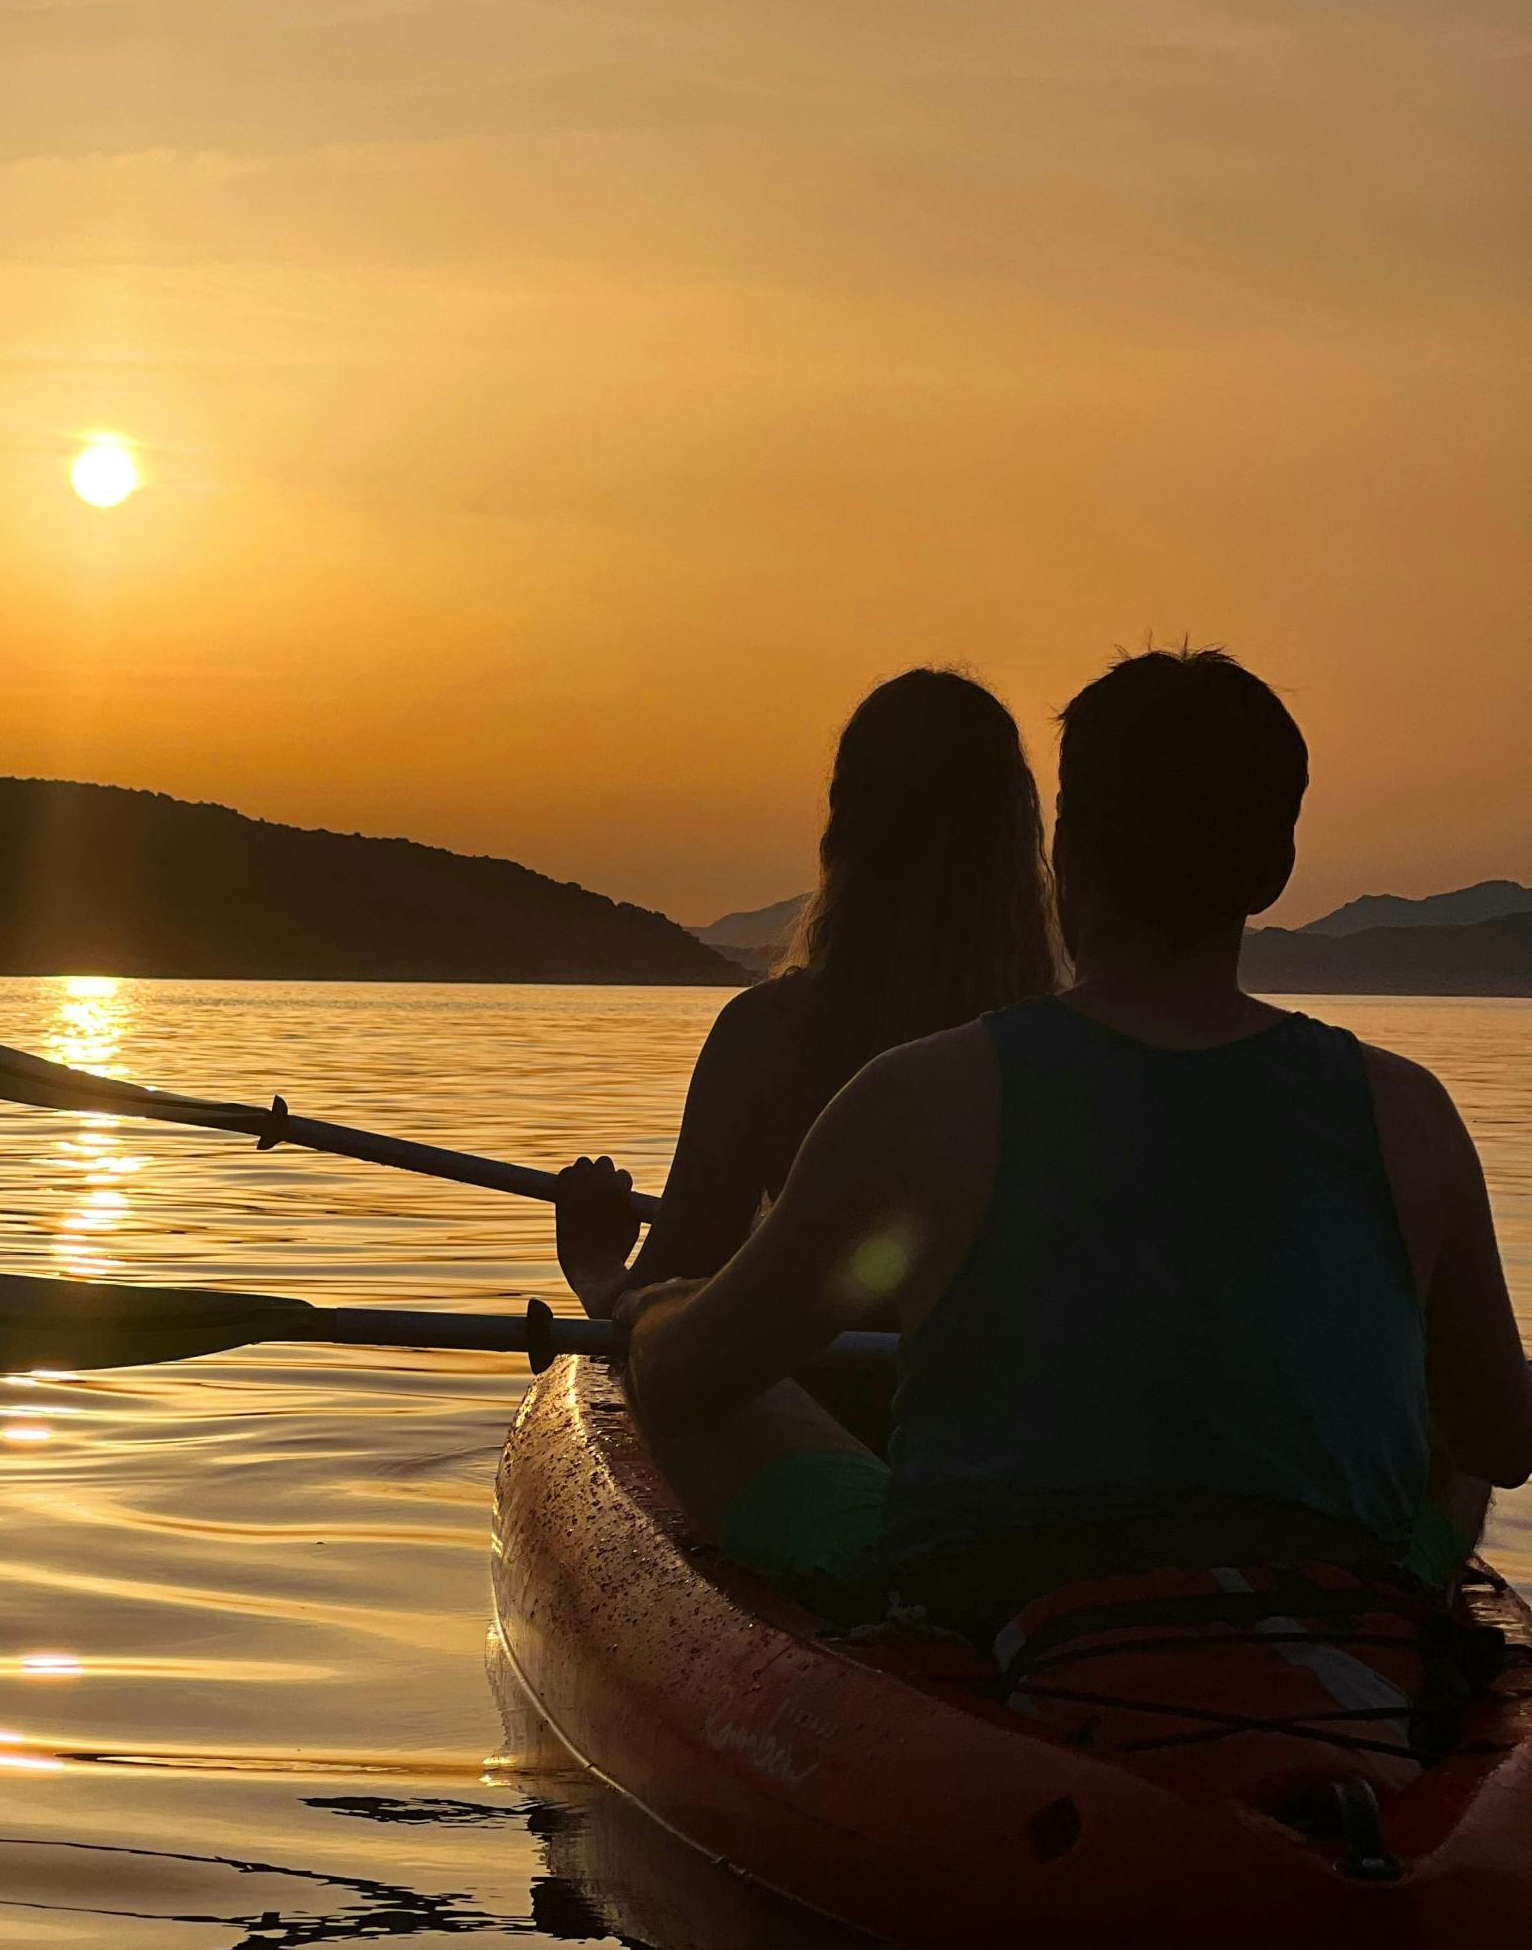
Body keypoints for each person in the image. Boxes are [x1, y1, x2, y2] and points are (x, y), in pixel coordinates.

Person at [618, 647, 1530, 1646]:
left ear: (1069, 849)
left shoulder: (925, 1098)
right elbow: (1503, 1439)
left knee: (670, 1342)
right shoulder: (1408, 1115)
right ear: (1275, 871)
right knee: (1450, 1428)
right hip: (1339, 1617)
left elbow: (687, 1386)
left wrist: (648, 1310)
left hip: (1010, 1626)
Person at [555, 666, 1055, 1581]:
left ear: (842, 833)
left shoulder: (770, 1035)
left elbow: (663, 1318)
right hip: (1027, 1484)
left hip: (855, 1505)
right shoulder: (1063, 1049)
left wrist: (597, 1269)